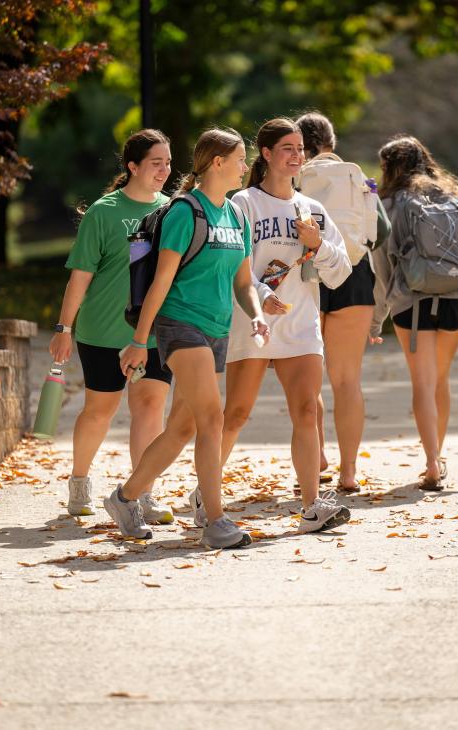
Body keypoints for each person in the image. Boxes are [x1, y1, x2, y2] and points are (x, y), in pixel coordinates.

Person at [104, 127, 269, 549]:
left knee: (182, 428)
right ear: (217, 162)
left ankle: (124, 498)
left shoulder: (236, 215)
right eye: (239, 160)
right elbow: (160, 282)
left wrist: (256, 313)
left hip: (217, 329)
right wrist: (140, 340)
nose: (245, 167)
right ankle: (215, 520)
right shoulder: (185, 212)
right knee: (213, 419)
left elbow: (244, 280)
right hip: (180, 325)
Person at [213, 117, 353, 533]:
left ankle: (312, 505)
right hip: (253, 321)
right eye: (288, 149)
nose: (297, 155)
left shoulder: (313, 209)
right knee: (236, 413)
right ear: (268, 155)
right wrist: (260, 292)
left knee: (307, 410)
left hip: (301, 324)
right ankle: (208, 489)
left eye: (300, 149)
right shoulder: (243, 205)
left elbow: (340, 272)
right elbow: (227, 265)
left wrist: (317, 244)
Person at [50, 129, 175, 522]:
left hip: (154, 332)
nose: (164, 170)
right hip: (103, 330)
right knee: (100, 410)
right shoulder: (104, 212)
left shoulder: (173, 210)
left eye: (169, 163)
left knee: (151, 407)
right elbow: (80, 276)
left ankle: (143, 492)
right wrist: (63, 328)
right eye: (156, 163)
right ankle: (80, 480)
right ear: (133, 166)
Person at [371, 135, 458, 489]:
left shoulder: (390, 204)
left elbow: (381, 268)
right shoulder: (456, 199)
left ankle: (430, 464)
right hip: (457, 298)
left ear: (390, 168)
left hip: (412, 302)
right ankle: (437, 456)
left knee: (422, 384)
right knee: (439, 381)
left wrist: (377, 316)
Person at [295, 111, 392, 492]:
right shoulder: (357, 178)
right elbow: (380, 231)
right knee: (347, 380)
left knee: (309, 377)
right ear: (332, 142)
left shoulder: (298, 176)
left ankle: (316, 457)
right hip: (355, 277)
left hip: (311, 274)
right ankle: (349, 471)